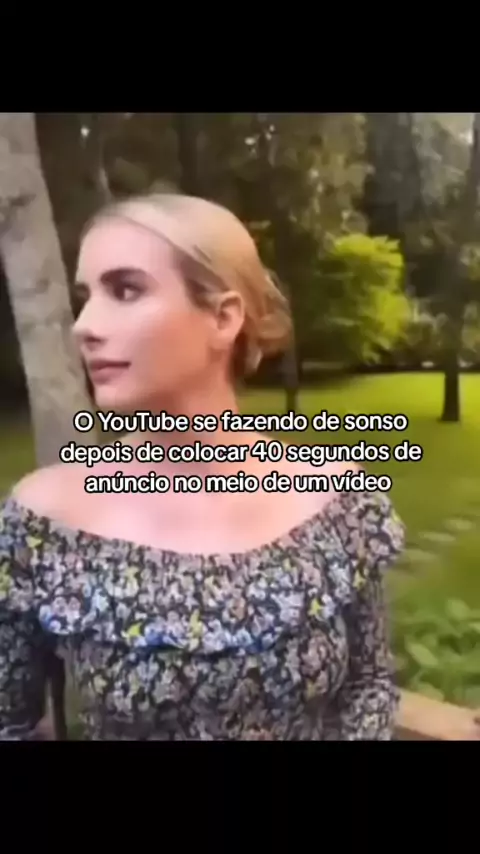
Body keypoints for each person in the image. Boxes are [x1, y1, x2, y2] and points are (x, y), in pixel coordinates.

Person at [0, 192, 405, 740]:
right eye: (85, 297)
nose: (84, 325)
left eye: (125, 290)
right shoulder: (44, 522)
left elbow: (370, 686)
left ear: (223, 317)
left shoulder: (338, 504)